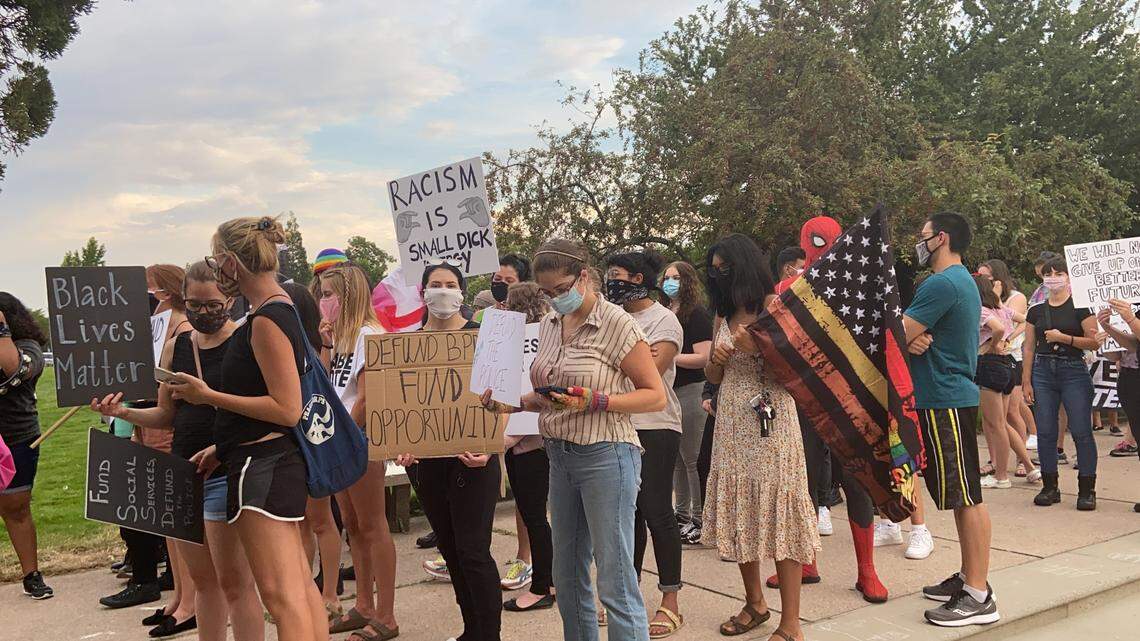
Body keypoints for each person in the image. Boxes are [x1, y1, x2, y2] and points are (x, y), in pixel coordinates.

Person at [483, 238, 666, 641]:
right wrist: (507, 403)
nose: (553, 299)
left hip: (607, 456)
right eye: (546, 293)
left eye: (560, 290)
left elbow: (654, 394)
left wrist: (598, 400)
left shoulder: (617, 322)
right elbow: (548, 396)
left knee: (615, 582)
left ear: (584, 277)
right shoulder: (550, 324)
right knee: (566, 577)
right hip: (559, 458)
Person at [92, 262, 265, 641]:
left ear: (230, 299)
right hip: (183, 472)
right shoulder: (176, 346)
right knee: (203, 584)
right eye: (194, 305)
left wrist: (221, 443)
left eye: (212, 304)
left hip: (226, 470)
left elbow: (264, 413)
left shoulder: (245, 342)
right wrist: (122, 412)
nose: (204, 313)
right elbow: (166, 414)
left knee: (235, 583)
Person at [176, 215, 329, 641]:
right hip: (265, 462)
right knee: (298, 587)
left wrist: (208, 396)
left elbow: (286, 408)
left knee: (282, 598)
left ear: (229, 261)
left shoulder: (265, 319)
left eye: (216, 259)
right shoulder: (278, 308)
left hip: (263, 468)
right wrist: (222, 447)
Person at [761, 216, 891, 603]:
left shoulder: (858, 286)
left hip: (847, 399)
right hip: (804, 401)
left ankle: (866, 569)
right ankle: (808, 562)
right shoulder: (787, 288)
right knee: (803, 483)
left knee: (856, 482)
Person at [704, 234, 819, 641]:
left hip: (772, 420)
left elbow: (802, 369)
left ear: (747, 266)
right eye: (714, 270)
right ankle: (755, 602)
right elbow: (714, 378)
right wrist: (717, 362)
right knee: (742, 512)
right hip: (732, 420)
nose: (719, 276)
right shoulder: (723, 315)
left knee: (781, 510)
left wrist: (762, 345)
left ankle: (791, 624)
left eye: (726, 268)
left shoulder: (777, 307)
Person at [396, 261, 500, 641]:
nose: (443, 291)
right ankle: (471, 630)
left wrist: (491, 446)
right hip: (426, 465)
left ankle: (489, 635)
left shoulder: (484, 337)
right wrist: (401, 444)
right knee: (453, 553)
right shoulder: (404, 345)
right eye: (435, 284)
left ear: (462, 292)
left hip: (474, 460)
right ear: (423, 291)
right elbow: (401, 406)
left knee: (474, 551)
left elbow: (501, 401)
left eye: (450, 284)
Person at [903, 212, 997, 626]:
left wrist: (908, 336)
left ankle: (978, 594)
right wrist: (913, 337)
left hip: (945, 398)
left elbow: (895, 334)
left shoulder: (942, 283)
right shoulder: (960, 283)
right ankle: (968, 577)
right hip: (945, 397)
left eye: (923, 236)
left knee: (967, 495)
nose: (918, 243)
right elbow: (909, 335)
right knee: (960, 495)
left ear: (941, 238)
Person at [100, 265, 194, 622]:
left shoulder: (180, 329)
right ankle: (179, 596)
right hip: (148, 425)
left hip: (166, 431)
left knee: (174, 517)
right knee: (165, 521)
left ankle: (188, 601)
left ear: (165, 293)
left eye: (149, 289)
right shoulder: (160, 326)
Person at [604, 250, 685, 638]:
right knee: (627, 516)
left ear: (638, 279)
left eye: (616, 275)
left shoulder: (663, 320)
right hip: (618, 424)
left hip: (656, 424)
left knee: (656, 510)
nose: (610, 281)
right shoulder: (610, 316)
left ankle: (670, 600)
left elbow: (649, 371)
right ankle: (628, 595)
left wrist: (612, 363)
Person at [317, 263, 400, 641]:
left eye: (328, 295)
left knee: (372, 524)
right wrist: (326, 346)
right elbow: (324, 385)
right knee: (352, 524)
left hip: (359, 442)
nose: (322, 302)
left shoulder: (370, 335)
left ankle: (386, 614)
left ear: (347, 297)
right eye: (320, 294)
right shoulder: (342, 340)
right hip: (339, 442)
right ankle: (363, 604)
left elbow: (366, 398)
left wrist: (344, 437)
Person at [1022, 256, 1100, 510]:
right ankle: (1050, 485)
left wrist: (1064, 338)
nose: (1053, 277)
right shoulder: (1036, 311)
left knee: (1081, 431)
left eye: (1058, 273)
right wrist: (1026, 380)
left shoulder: (1081, 308)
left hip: (1073, 369)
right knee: (1045, 431)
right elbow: (1029, 347)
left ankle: (1087, 489)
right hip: (1043, 370)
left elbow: (1094, 341)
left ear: (1068, 277)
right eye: (1048, 274)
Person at [500, 282, 556, 613]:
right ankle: (549, 581)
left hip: (531, 441)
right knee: (534, 513)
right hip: (522, 440)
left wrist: (512, 435)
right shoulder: (536, 336)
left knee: (535, 515)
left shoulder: (539, 338)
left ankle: (543, 586)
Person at [0, 292, 53, 600]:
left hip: (17, 437)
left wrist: (1, 330)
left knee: (16, 507)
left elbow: (12, 371)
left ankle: (31, 574)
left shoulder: (29, 348)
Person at [661, 261, 712, 545]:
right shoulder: (666, 313)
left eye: (676, 277)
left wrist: (670, 357)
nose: (669, 282)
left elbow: (704, 357)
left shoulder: (697, 315)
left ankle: (700, 518)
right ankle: (681, 514)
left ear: (687, 281)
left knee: (692, 458)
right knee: (677, 459)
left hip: (691, 389)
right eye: (666, 277)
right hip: (670, 390)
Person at [972, 274, 1039, 490]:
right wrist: (1008, 340)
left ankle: (1001, 476)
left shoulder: (982, 311)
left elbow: (998, 328)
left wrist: (994, 343)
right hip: (1009, 365)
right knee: (1002, 422)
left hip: (990, 364)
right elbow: (1026, 319)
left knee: (996, 424)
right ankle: (1029, 466)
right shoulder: (1003, 309)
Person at [1097, 299, 1140, 512]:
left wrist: (1130, 318)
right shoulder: (1129, 305)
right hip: (1130, 379)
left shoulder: (1130, 312)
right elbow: (1130, 345)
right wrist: (1107, 329)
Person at [474, 254, 532, 323]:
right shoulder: (479, 316)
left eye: (509, 281)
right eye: (497, 279)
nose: (502, 283)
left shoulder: (532, 316)